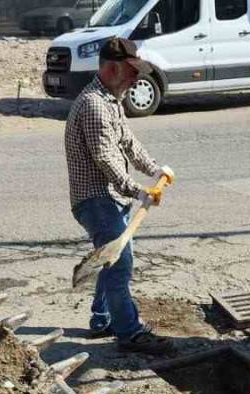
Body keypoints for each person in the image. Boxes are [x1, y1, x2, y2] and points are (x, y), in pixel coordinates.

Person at [64, 37, 175, 355]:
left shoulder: (110, 98)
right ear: (112, 68)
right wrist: (138, 190)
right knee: (120, 264)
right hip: (96, 200)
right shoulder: (94, 106)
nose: (136, 78)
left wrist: (156, 170)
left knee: (109, 258)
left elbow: (128, 142)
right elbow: (106, 159)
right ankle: (130, 333)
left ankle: (102, 319)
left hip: (110, 197)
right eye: (130, 71)